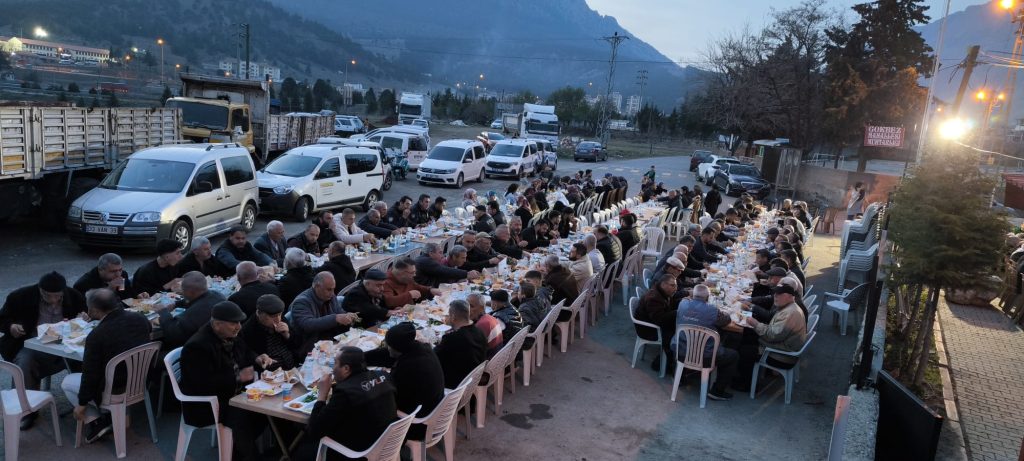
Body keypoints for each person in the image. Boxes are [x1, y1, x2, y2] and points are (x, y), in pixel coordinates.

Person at [62, 288, 152, 443]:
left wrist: (82, 404)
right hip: (140, 380)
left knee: (67, 381)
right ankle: (108, 417)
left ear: (94, 310)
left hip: (114, 389)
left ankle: (95, 421)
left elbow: (90, 374)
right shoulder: (140, 319)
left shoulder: (97, 335)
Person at [179, 301, 265, 461]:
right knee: (242, 416)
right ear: (217, 325)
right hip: (206, 405)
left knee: (263, 411)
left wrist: (257, 358)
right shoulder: (197, 347)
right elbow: (200, 384)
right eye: (234, 323)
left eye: (239, 322)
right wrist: (237, 377)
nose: (239, 327)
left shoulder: (232, 335)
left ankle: (240, 451)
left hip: (233, 395)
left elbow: (246, 352)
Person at [0, 272, 85, 428]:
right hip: (33, 342)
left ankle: (87, 403)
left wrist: (83, 317)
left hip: (65, 343)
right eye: (48, 296)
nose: (53, 301)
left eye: (57, 297)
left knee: (88, 356)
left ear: (63, 292)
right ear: (40, 290)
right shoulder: (20, 297)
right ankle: (26, 410)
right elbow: (2, 319)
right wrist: (11, 326)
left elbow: (88, 316)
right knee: (24, 362)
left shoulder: (73, 296)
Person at [297, 347, 397, 461]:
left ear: (346, 368)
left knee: (302, 452)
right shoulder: (383, 375)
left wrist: (322, 394)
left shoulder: (345, 392)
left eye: (335, 363)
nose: (332, 368)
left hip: (357, 452)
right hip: (387, 444)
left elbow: (314, 430)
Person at [365, 322, 444, 441]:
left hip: (417, 424)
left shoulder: (407, 367)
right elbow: (387, 355)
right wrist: (360, 358)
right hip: (436, 413)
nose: (387, 347)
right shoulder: (423, 349)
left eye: (389, 345)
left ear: (398, 348)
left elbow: (389, 397)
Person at [673, 284, 743, 400]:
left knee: (690, 339)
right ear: (707, 297)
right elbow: (726, 321)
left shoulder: (682, 304)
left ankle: (681, 377)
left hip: (680, 349)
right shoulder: (712, 310)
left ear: (692, 295)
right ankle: (717, 391)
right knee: (733, 355)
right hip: (705, 356)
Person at [292, 272, 359, 355]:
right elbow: (307, 324)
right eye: (329, 289)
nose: (332, 292)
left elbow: (339, 312)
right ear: (316, 287)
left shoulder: (330, 296)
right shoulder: (301, 302)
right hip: (312, 348)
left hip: (332, 341)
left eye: (333, 289)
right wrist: (335, 318)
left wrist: (347, 316)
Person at [745, 284, 808, 371]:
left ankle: (746, 382)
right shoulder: (789, 307)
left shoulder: (791, 313)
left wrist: (755, 324)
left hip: (781, 357)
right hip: (780, 347)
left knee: (743, 350)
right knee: (747, 335)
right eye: (775, 293)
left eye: (779, 294)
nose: (775, 296)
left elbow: (772, 336)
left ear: (789, 296)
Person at [159, 271, 226, 350]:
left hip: (197, 350)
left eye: (183, 290)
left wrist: (163, 312)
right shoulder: (218, 295)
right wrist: (176, 304)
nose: (181, 293)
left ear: (190, 292)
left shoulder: (194, 312)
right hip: (219, 342)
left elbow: (172, 334)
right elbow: (197, 299)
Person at [433, 300, 487, 389]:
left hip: (455, 384)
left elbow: (433, 356)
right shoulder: (479, 331)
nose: (447, 318)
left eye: (448, 315)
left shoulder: (451, 338)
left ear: (453, 317)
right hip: (474, 378)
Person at [240, 295, 300, 372]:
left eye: (280, 314)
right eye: (273, 316)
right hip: (271, 372)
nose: (278, 319)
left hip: (292, 364)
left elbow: (297, 343)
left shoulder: (281, 319)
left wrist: (287, 335)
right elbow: (245, 352)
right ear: (259, 313)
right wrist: (257, 357)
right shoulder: (248, 329)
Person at [636, 274, 678, 371]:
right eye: (673, 285)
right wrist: (677, 312)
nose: (676, 288)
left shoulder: (661, 292)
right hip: (648, 330)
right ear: (663, 284)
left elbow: (668, 308)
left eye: (675, 285)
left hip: (653, 323)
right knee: (676, 334)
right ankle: (662, 364)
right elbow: (660, 320)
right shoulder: (654, 298)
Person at [414, 242, 479, 287]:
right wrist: (466, 274)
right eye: (440, 253)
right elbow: (443, 270)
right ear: (431, 253)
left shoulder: (424, 259)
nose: (442, 256)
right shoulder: (425, 261)